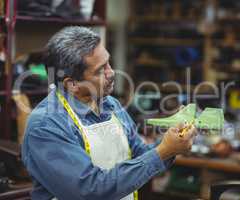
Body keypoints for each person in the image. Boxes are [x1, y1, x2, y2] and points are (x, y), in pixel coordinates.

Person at [21, 26, 196, 200]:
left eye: (108, 63)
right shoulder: (46, 125)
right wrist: (163, 151)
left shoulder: (110, 105)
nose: (111, 72)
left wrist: (172, 143)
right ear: (72, 84)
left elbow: (140, 155)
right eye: (100, 70)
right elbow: (90, 189)